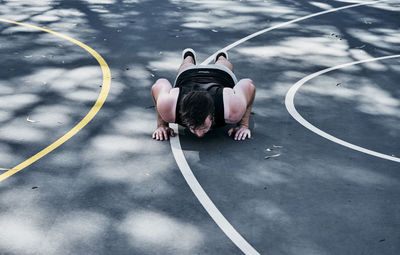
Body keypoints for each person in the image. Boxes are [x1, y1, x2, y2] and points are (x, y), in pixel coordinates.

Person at [151, 48, 255, 141]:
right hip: (189, 75)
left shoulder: (233, 108)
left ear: (211, 115)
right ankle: (188, 56)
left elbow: (248, 85)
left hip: (219, 75)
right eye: (192, 127)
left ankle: (221, 56)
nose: (199, 134)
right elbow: (158, 85)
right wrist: (162, 125)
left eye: (204, 127)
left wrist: (243, 125)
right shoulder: (169, 107)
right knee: (186, 66)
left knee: (223, 64)